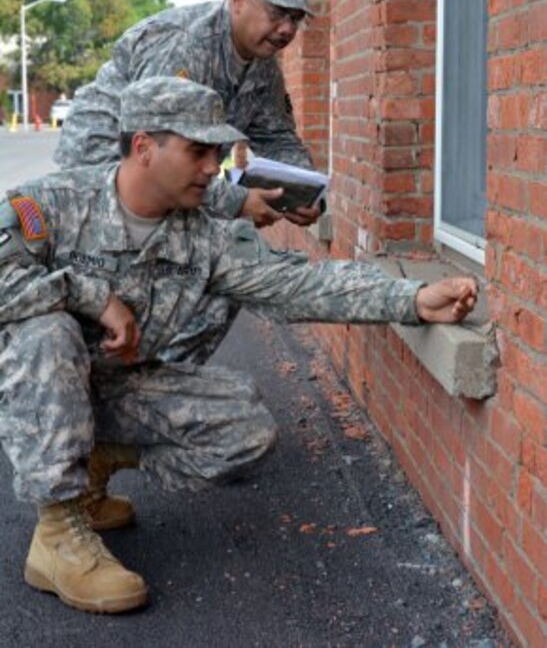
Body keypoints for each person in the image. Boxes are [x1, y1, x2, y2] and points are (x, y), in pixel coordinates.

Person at [0, 77, 478, 614]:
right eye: (198, 151)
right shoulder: (55, 202)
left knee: (245, 428)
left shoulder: (202, 235)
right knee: (48, 329)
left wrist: (411, 299)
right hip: (31, 391)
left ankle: (91, 467)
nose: (213, 168)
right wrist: (89, 295)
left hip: (113, 386)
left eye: (218, 153)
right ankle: (58, 534)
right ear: (143, 147)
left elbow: (299, 284)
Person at [55, 0, 321, 229]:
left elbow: (277, 137)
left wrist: (305, 191)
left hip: (167, 182)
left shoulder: (263, 65)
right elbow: (161, 157)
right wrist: (237, 201)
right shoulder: (184, 45)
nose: (287, 29)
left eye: (296, 18)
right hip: (102, 172)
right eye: (278, 12)